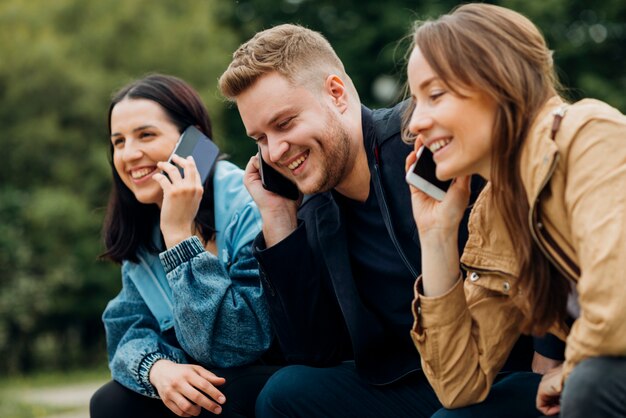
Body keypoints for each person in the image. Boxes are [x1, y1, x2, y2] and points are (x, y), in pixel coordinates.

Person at [218, 24, 552, 417]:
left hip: (509, 368)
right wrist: (277, 219)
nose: (274, 151)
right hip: (414, 379)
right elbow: (313, 351)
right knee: (284, 392)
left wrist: (551, 349)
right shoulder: (312, 209)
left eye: (285, 123)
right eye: (259, 138)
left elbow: (539, 225)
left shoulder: (428, 147)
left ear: (337, 94)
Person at [405, 4, 626, 417]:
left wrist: (571, 369)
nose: (416, 121)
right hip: (600, 373)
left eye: (435, 95)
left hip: (605, 376)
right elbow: (459, 385)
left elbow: (617, 305)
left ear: (498, 82)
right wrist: (436, 237)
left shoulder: (588, 135)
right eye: (416, 101)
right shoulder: (496, 212)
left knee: (592, 387)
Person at [89, 74, 278, 418]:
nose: (130, 154)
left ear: (192, 140)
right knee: (110, 402)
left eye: (146, 135)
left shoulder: (245, 205)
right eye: (118, 142)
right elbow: (125, 333)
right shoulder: (146, 229)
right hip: (212, 376)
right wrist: (158, 369)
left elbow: (236, 345)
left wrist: (179, 236)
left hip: (268, 374)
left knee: (225, 392)